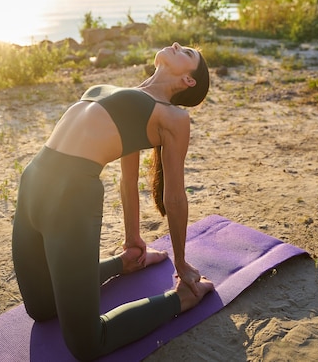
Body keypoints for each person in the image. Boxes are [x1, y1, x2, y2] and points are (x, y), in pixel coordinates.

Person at [12, 42, 214, 361]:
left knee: (87, 344)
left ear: (188, 81)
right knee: (40, 308)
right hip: (33, 183)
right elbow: (127, 179)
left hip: (71, 201)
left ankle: (183, 299)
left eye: (187, 53)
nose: (176, 45)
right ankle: (126, 263)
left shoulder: (173, 117)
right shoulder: (119, 91)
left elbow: (174, 197)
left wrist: (181, 262)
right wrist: (133, 240)